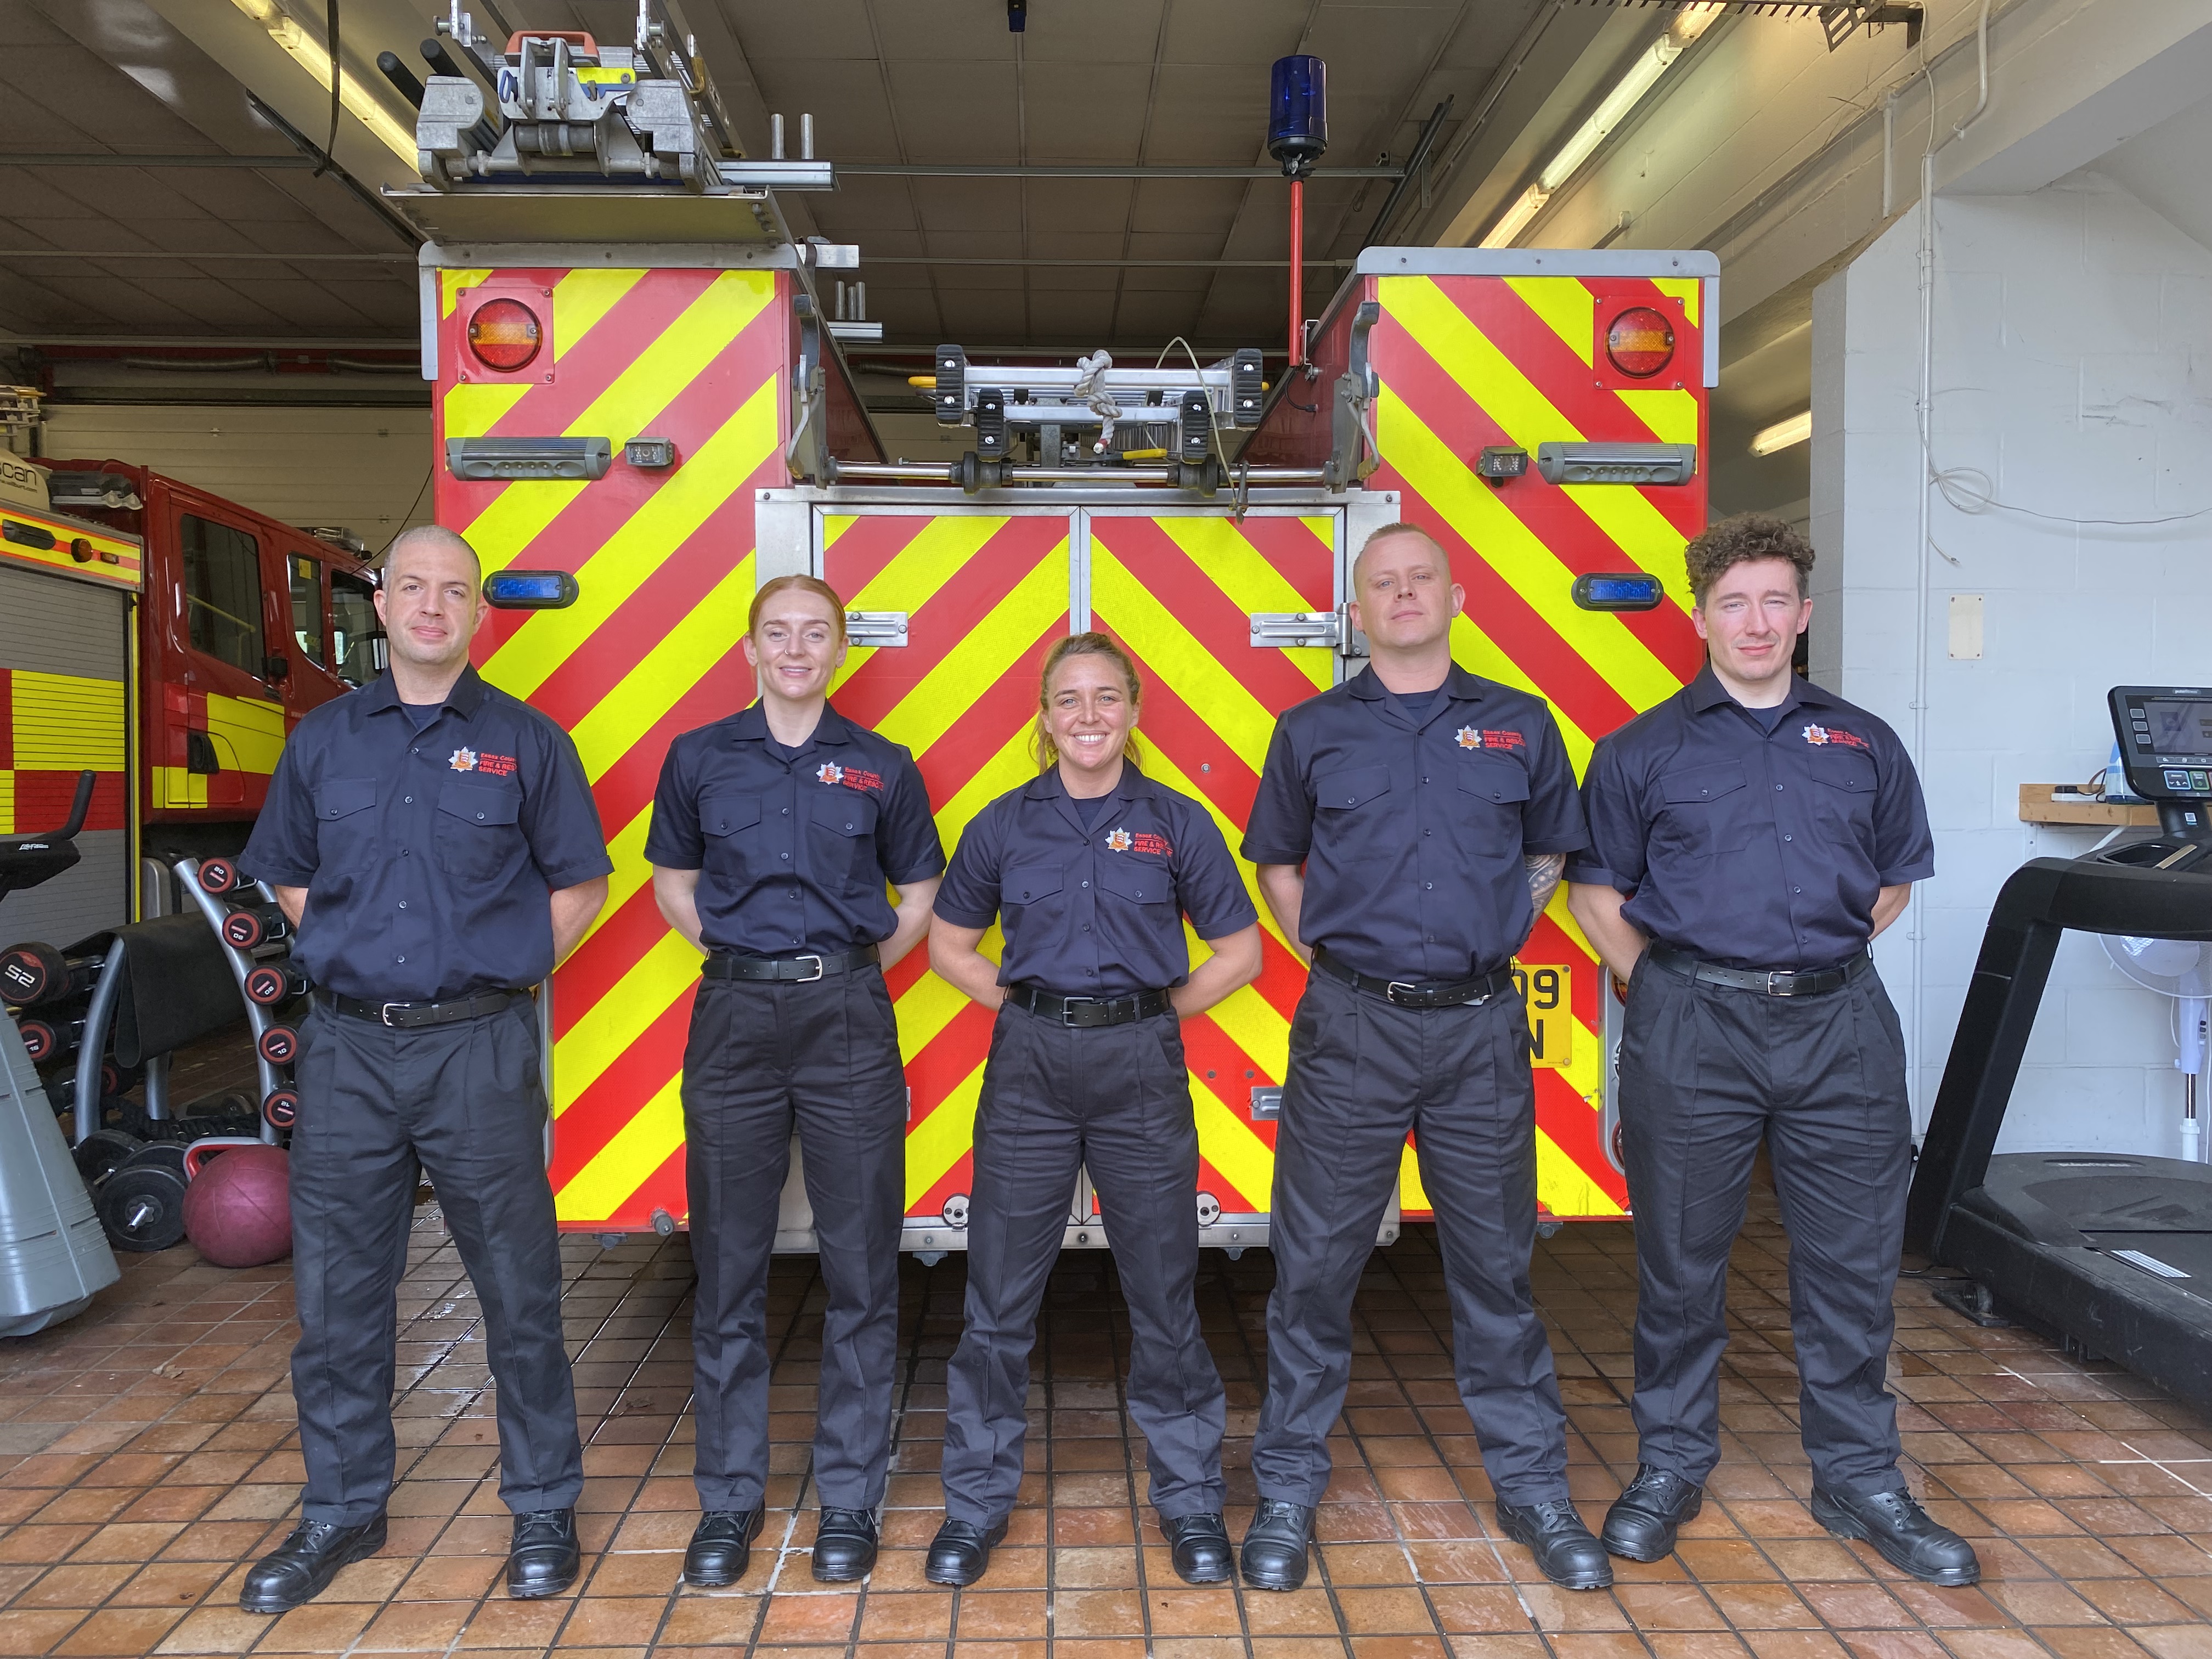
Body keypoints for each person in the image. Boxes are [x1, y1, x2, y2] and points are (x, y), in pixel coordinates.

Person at [1566, 514, 1976, 1585]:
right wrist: (1661, 984)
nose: (1756, 622)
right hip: (1692, 1026)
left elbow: (1891, 885)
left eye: (1775, 601)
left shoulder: (1864, 743)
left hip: (1840, 1028)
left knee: (1849, 1267)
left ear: (1803, 615)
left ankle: (1859, 1476)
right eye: (1734, 602)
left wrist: (1805, 966)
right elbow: (1596, 892)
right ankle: (1670, 1465)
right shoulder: (1641, 752)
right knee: (1681, 1265)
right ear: (1701, 617)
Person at [238, 526, 611, 1612]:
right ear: (382, 604)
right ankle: (341, 1512)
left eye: (455, 591)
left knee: (519, 1288)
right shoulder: (323, 743)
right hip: (350, 1045)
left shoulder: (529, 743)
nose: (434, 606)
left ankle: (543, 1505)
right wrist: (357, 963)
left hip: (477, 1048)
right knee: (337, 1294)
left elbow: (579, 884)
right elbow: (290, 879)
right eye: (414, 587)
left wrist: (494, 965)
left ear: (479, 612)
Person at [1239, 522, 1611, 1593]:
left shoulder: (1519, 725)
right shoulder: (1311, 731)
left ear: (1458, 596)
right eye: (1382, 585)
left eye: (1421, 581)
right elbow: (1278, 864)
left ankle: (1535, 1488)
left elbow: (1548, 849)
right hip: (1352, 1025)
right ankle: (1289, 1492)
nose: (1403, 596)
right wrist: (1342, 952)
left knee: (1495, 1269)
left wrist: (1494, 930)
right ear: (1358, 614)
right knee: (1313, 1271)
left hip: (1479, 1029)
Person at [923, 633, 1263, 1588]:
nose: (1087, 716)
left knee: (1164, 1295)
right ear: (1042, 717)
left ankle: (1192, 1503)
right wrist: (1035, 1008)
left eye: (1106, 698)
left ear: (1134, 712)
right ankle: (974, 1508)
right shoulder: (1002, 825)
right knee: (996, 1303)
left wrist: (1149, 1014)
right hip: (1029, 1065)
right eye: (1067, 699)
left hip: (1140, 1067)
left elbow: (1239, 954)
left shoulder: (1177, 823)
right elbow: (951, 945)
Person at [644, 575, 944, 1586]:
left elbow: (920, 893)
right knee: (727, 1268)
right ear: (751, 649)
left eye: (815, 634)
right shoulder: (697, 760)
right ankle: (729, 1503)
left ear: (840, 649)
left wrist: (842, 968)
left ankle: (850, 1498)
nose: (796, 649)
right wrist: (739, 954)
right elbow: (672, 882)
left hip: (849, 1018)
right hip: (732, 1017)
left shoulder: (881, 768)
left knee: (862, 1266)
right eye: (779, 633)